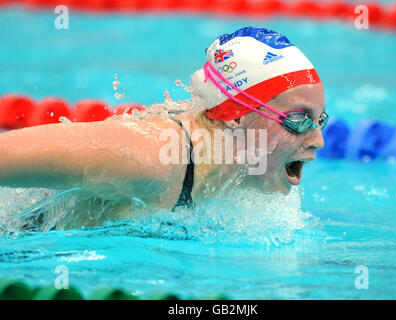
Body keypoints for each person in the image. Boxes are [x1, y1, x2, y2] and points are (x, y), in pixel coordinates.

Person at [0, 27, 327, 229]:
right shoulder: (149, 157)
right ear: (236, 114)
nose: (318, 140)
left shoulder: (239, 173)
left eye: (321, 119)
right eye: (299, 119)